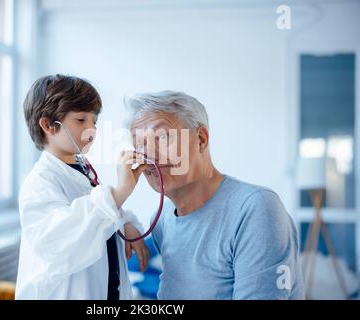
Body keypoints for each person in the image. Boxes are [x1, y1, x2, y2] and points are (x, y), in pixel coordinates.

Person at [126, 90, 305, 299]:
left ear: (201, 139)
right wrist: (123, 220)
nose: (150, 155)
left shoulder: (257, 208)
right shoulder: (162, 218)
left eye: (163, 137)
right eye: (140, 144)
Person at [16, 74, 150, 299]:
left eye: (94, 121)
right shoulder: (40, 183)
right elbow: (61, 238)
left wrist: (125, 223)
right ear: (48, 124)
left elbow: (93, 212)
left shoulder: (81, 170)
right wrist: (119, 193)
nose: (92, 130)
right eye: (81, 120)